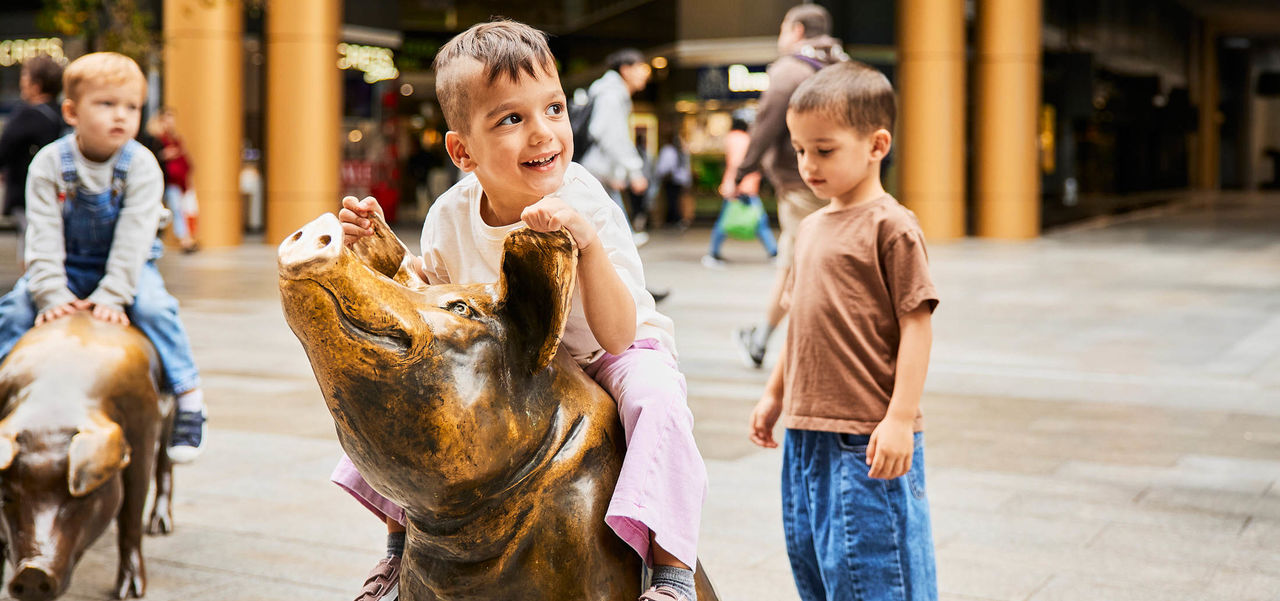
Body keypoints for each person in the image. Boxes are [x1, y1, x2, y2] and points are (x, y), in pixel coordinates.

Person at [334, 21, 707, 601]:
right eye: (511, 119)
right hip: (515, 356)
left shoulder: (585, 203)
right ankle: (397, 551)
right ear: (462, 150)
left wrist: (585, 245)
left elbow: (617, 333)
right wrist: (381, 252)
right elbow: (434, 309)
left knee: (656, 402)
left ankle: (671, 571)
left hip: (609, 349)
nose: (543, 133)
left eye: (554, 109)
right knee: (404, 406)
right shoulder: (450, 216)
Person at [749, 61, 939, 601]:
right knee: (820, 574)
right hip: (805, 435)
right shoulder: (809, 228)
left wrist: (900, 418)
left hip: (866, 438)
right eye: (799, 150)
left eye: (824, 150)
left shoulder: (892, 226)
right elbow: (800, 323)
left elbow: (917, 326)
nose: (808, 164)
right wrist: (773, 393)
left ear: (877, 145)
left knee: (878, 579)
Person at [0, 52, 208, 462]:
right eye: (107, 104)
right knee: (14, 309)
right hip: (66, 266)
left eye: (131, 107)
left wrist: (114, 295)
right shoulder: (49, 163)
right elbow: (41, 236)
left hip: (128, 268)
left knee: (155, 308)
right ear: (71, 111)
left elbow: (133, 239)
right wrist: (51, 293)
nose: (122, 116)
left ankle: (188, 396)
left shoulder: (142, 166)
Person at [724, 3, 848, 368]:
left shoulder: (791, 70)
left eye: (782, 29)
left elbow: (766, 123)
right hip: (842, 183)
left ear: (795, 30)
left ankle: (823, 351)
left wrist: (742, 170)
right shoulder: (844, 66)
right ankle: (761, 338)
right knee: (796, 263)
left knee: (804, 267)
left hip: (801, 184)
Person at [580, 47, 652, 247]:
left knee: (605, 216)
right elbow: (610, 135)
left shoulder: (610, 91)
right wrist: (633, 171)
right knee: (608, 216)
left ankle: (624, 239)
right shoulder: (611, 94)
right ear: (625, 70)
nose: (645, 74)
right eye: (640, 68)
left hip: (599, 167)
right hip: (597, 166)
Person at [0, 55, 65, 263]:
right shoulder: (62, 113)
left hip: (30, 192)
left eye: (25, 75)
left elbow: (4, 150)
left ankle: (33, 289)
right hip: (59, 191)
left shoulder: (27, 116)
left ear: (36, 84)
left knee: (32, 248)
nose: (22, 81)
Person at [702, 114, 777, 268]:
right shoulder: (740, 138)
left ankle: (713, 253)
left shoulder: (733, 137)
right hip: (742, 187)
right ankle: (774, 253)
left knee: (731, 221)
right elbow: (737, 162)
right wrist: (736, 184)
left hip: (739, 186)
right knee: (757, 220)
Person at [145, 107, 198, 252]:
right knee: (153, 209)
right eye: (167, 120)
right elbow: (149, 158)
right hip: (159, 179)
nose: (170, 123)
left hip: (173, 181)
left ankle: (185, 240)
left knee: (177, 209)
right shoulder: (154, 139)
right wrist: (163, 155)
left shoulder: (173, 138)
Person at [654, 132, 692, 229]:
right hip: (674, 180)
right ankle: (672, 219)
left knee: (673, 200)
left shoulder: (671, 151)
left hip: (673, 180)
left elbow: (663, 167)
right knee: (673, 200)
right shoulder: (676, 151)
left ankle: (674, 219)